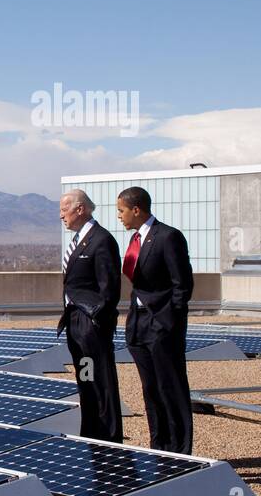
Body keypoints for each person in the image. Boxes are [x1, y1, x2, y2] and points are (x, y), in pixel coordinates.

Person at [117, 186, 195, 454]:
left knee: (170, 387)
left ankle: (180, 451)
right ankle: (159, 446)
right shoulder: (135, 239)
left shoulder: (168, 237)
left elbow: (182, 285)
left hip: (162, 326)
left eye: (122, 211)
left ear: (136, 210)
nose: (120, 217)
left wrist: (168, 322)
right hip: (139, 325)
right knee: (150, 389)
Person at [56, 189, 123, 442]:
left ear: (80, 209)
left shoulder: (101, 240)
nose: (62, 216)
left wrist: (96, 321)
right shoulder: (80, 241)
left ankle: (109, 438)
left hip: (91, 325)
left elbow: (109, 287)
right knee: (86, 380)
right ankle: (92, 433)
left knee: (100, 382)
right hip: (76, 325)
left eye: (64, 210)